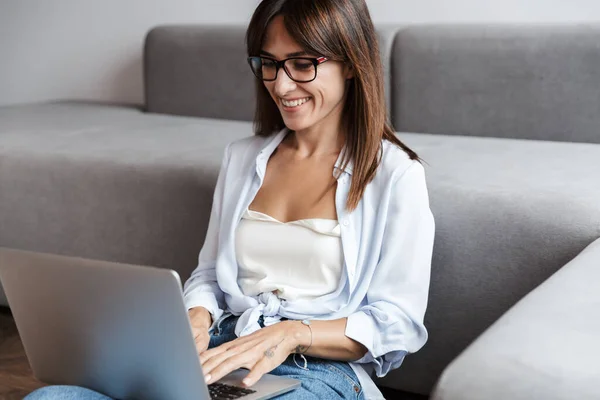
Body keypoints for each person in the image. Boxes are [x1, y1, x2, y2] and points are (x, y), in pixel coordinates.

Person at [25, 0, 435, 399]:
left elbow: (397, 323)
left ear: (349, 62)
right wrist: (197, 318)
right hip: (223, 347)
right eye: (269, 64)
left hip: (317, 368)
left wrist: (291, 334)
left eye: (303, 64)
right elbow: (208, 275)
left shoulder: (396, 176)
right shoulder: (242, 159)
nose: (281, 84)